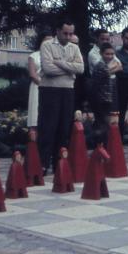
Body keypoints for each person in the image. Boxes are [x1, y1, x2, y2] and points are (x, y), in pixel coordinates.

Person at [38, 18, 84, 175]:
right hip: (49, 90)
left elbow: (81, 68)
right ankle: (43, 163)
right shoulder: (47, 45)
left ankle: (60, 163)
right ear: (57, 31)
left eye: (71, 34)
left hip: (67, 90)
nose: (68, 37)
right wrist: (70, 69)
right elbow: (48, 69)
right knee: (48, 127)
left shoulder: (74, 47)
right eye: (65, 33)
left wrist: (60, 63)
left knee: (64, 127)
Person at [91, 43, 119, 139]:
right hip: (101, 100)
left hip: (106, 99)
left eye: (112, 54)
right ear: (101, 54)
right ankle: (101, 146)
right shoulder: (100, 66)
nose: (110, 56)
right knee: (103, 125)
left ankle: (103, 146)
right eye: (107, 54)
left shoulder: (105, 65)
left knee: (105, 125)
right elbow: (117, 66)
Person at [27, 30, 52, 129]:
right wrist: (43, 84)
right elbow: (32, 74)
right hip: (37, 86)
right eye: (46, 41)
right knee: (36, 113)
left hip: (52, 86)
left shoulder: (54, 56)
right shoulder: (33, 56)